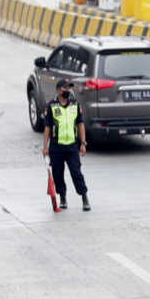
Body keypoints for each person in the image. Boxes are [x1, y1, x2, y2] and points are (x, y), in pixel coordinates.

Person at [42, 77, 91, 211]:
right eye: (65, 88)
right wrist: (45, 147)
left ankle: (84, 197)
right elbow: (47, 127)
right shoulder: (51, 106)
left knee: (76, 173)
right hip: (56, 147)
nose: (67, 90)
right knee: (57, 174)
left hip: (72, 146)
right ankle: (62, 197)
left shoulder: (75, 105)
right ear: (58, 90)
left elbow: (80, 124)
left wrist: (83, 142)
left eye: (69, 88)